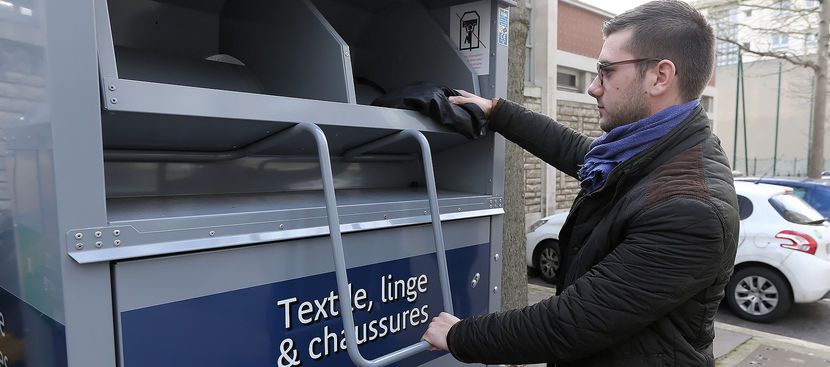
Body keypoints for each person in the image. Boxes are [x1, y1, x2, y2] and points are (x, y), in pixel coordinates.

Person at [421, 1, 739, 366]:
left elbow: (569, 323)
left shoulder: (689, 210)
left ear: (660, 77)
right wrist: (497, 111)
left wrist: (459, 335)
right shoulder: (659, 151)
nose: (592, 87)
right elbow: (578, 151)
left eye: (605, 71)